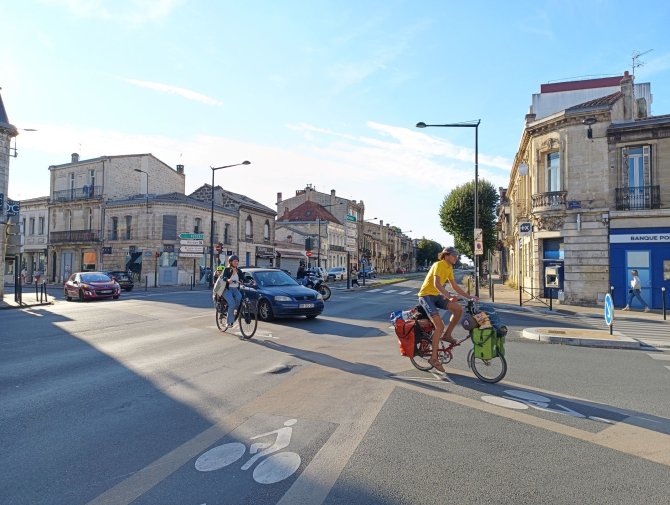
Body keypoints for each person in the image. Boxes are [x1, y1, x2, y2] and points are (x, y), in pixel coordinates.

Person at [418, 246, 475, 372]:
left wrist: (470, 297)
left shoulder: (449, 267)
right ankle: (433, 358)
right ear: (446, 255)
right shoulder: (438, 265)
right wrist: (448, 296)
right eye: (454, 255)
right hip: (426, 296)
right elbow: (436, 284)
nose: (456, 258)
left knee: (459, 309)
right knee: (439, 326)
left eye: (457, 256)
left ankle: (447, 335)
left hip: (436, 296)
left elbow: (454, 286)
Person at [212, 255, 244, 329]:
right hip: (227, 289)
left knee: (239, 298)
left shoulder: (239, 271)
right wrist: (228, 280)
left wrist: (250, 280)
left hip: (235, 289)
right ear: (230, 262)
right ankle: (229, 322)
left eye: (237, 261)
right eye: (235, 261)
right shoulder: (226, 269)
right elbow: (223, 277)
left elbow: (243, 278)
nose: (236, 262)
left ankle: (233, 311)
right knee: (232, 303)